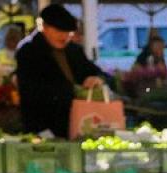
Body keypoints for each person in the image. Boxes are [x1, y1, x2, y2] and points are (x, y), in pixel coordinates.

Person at [14, 4, 108, 138]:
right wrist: (73, 91)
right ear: (44, 27)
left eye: (68, 33)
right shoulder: (28, 52)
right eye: (59, 31)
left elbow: (95, 71)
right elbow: (30, 92)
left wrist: (95, 78)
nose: (64, 37)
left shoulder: (74, 51)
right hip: (44, 125)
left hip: (80, 123)